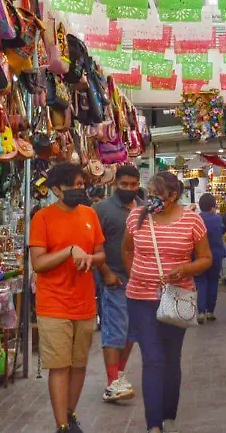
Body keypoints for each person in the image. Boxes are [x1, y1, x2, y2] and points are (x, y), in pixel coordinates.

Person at [122, 172, 212, 433]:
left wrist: (185, 269)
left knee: (171, 358)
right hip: (140, 299)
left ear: (173, 196)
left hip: (176, 298)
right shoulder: (136, 217)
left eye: (158, 193)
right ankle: (154, 426)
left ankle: (168, 414)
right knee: (152, 358)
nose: (152, 198)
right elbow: (127, 250)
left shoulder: (192, 220)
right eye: (149, 191)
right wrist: (136, 275)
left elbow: (206, 258)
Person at [29, 163, 107, 433]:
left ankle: (70, 415)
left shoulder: (90, 215)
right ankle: (61, 425)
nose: (79, 189)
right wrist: (69, 251)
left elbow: (100, 255)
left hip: (85, 302)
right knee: (60, 366)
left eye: (81, 184)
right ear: (55, 190)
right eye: (73, 185)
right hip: (53, 305)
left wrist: (89, 258)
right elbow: (38, 263)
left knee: (79, 365)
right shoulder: (42, 218)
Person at [93, 164, 141, 403]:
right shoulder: (101, 209)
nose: (129, 189)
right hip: (115, 280)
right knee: (115, 333)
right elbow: (93, 244)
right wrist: (106, 272)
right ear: (115, 184)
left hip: (140, 283)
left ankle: (119, 375)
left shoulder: (144, 209)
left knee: (132, 333)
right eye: (124, 184)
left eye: (133, 185)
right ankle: (112, 382)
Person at [194, 193, 226, 323]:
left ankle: (201, 312)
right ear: (213, 207)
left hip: (199, 255)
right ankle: (210, 311)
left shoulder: (196, 219)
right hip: (215, 255)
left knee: (201, 282)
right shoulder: (218, 219)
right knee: (213, 282)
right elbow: (222, 232)